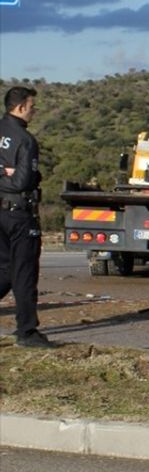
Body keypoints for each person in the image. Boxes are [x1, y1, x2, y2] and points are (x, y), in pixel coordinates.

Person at [0, 86, 53, 348]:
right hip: (19, 213)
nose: (34, 111)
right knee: (24, 273)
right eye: (33, 106)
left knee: (5, 269)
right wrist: (19, 175)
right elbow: (22, 181)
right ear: (20, 107)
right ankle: (27, 331)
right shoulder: (26, 140)